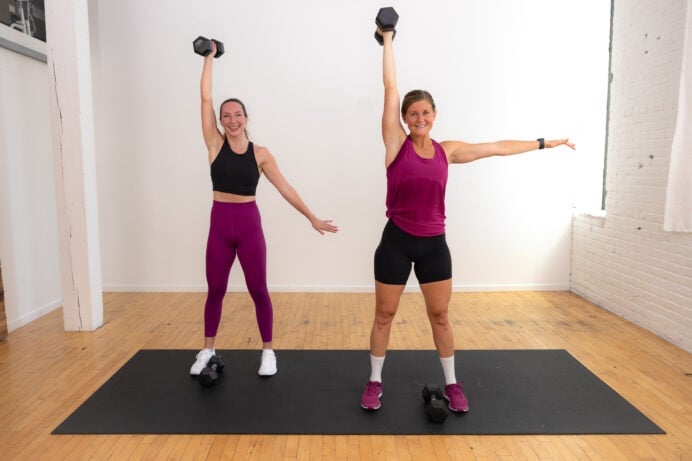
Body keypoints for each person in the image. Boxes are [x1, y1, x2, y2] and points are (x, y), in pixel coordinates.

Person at [360, 27, 575, 412]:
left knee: (440, 316)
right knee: (384, 314)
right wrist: (388, 38)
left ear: (435, 115)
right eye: (413, 113)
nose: (419, 117)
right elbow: (390, 87)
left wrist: (545, 143)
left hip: (433, 246)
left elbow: (496, 148)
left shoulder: (448, 151)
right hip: (396, 241)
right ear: (405, 120)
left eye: (426, 112)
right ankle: (374, 381)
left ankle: (453, 383)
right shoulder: (395, 145)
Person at [190, 41, 338, 377]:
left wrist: (311, 216)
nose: (231, 120)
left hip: (248, 227)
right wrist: (209, 58)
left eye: (237, 114)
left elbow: (285, 187)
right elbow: (204, 99)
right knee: (215, 290)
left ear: (246, 118)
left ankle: (268, 352)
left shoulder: (261, 154)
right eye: (225, 115)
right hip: (220, 226)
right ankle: (207, 348)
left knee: (259, 290)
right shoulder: (214, 144)